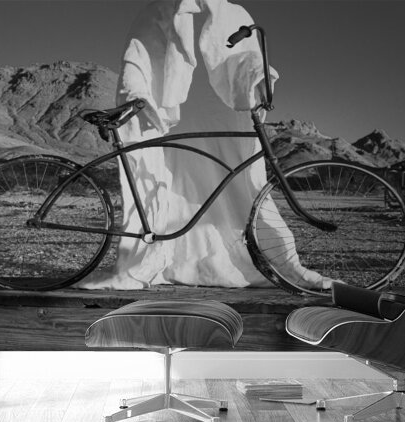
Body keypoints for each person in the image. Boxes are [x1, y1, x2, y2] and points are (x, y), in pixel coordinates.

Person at [77, 0, 337, 290]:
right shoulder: (157, 11)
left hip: (219, 120)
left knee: (240, 183)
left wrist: (259, 77)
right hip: (159, 116)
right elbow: (137, 57)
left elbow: (243, 59)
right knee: (156, 178)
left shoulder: (235, 15)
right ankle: (150, 255)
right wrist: (136, 92)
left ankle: (259, 256)